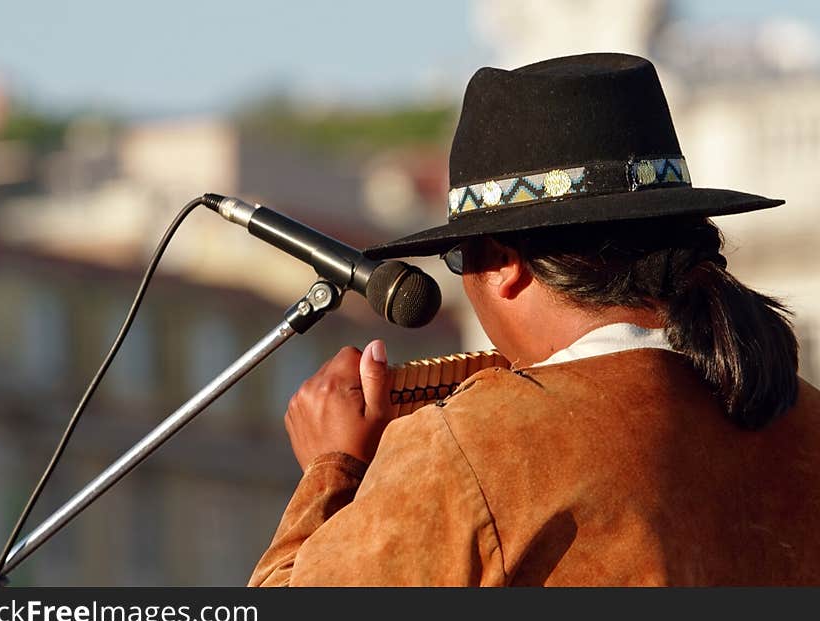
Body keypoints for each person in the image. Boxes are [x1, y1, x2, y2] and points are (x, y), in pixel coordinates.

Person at [248, 53, 820, 586]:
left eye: (460, 260)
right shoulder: (804, 421)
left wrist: (331, 469)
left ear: (501, 264)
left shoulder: (468, 446)